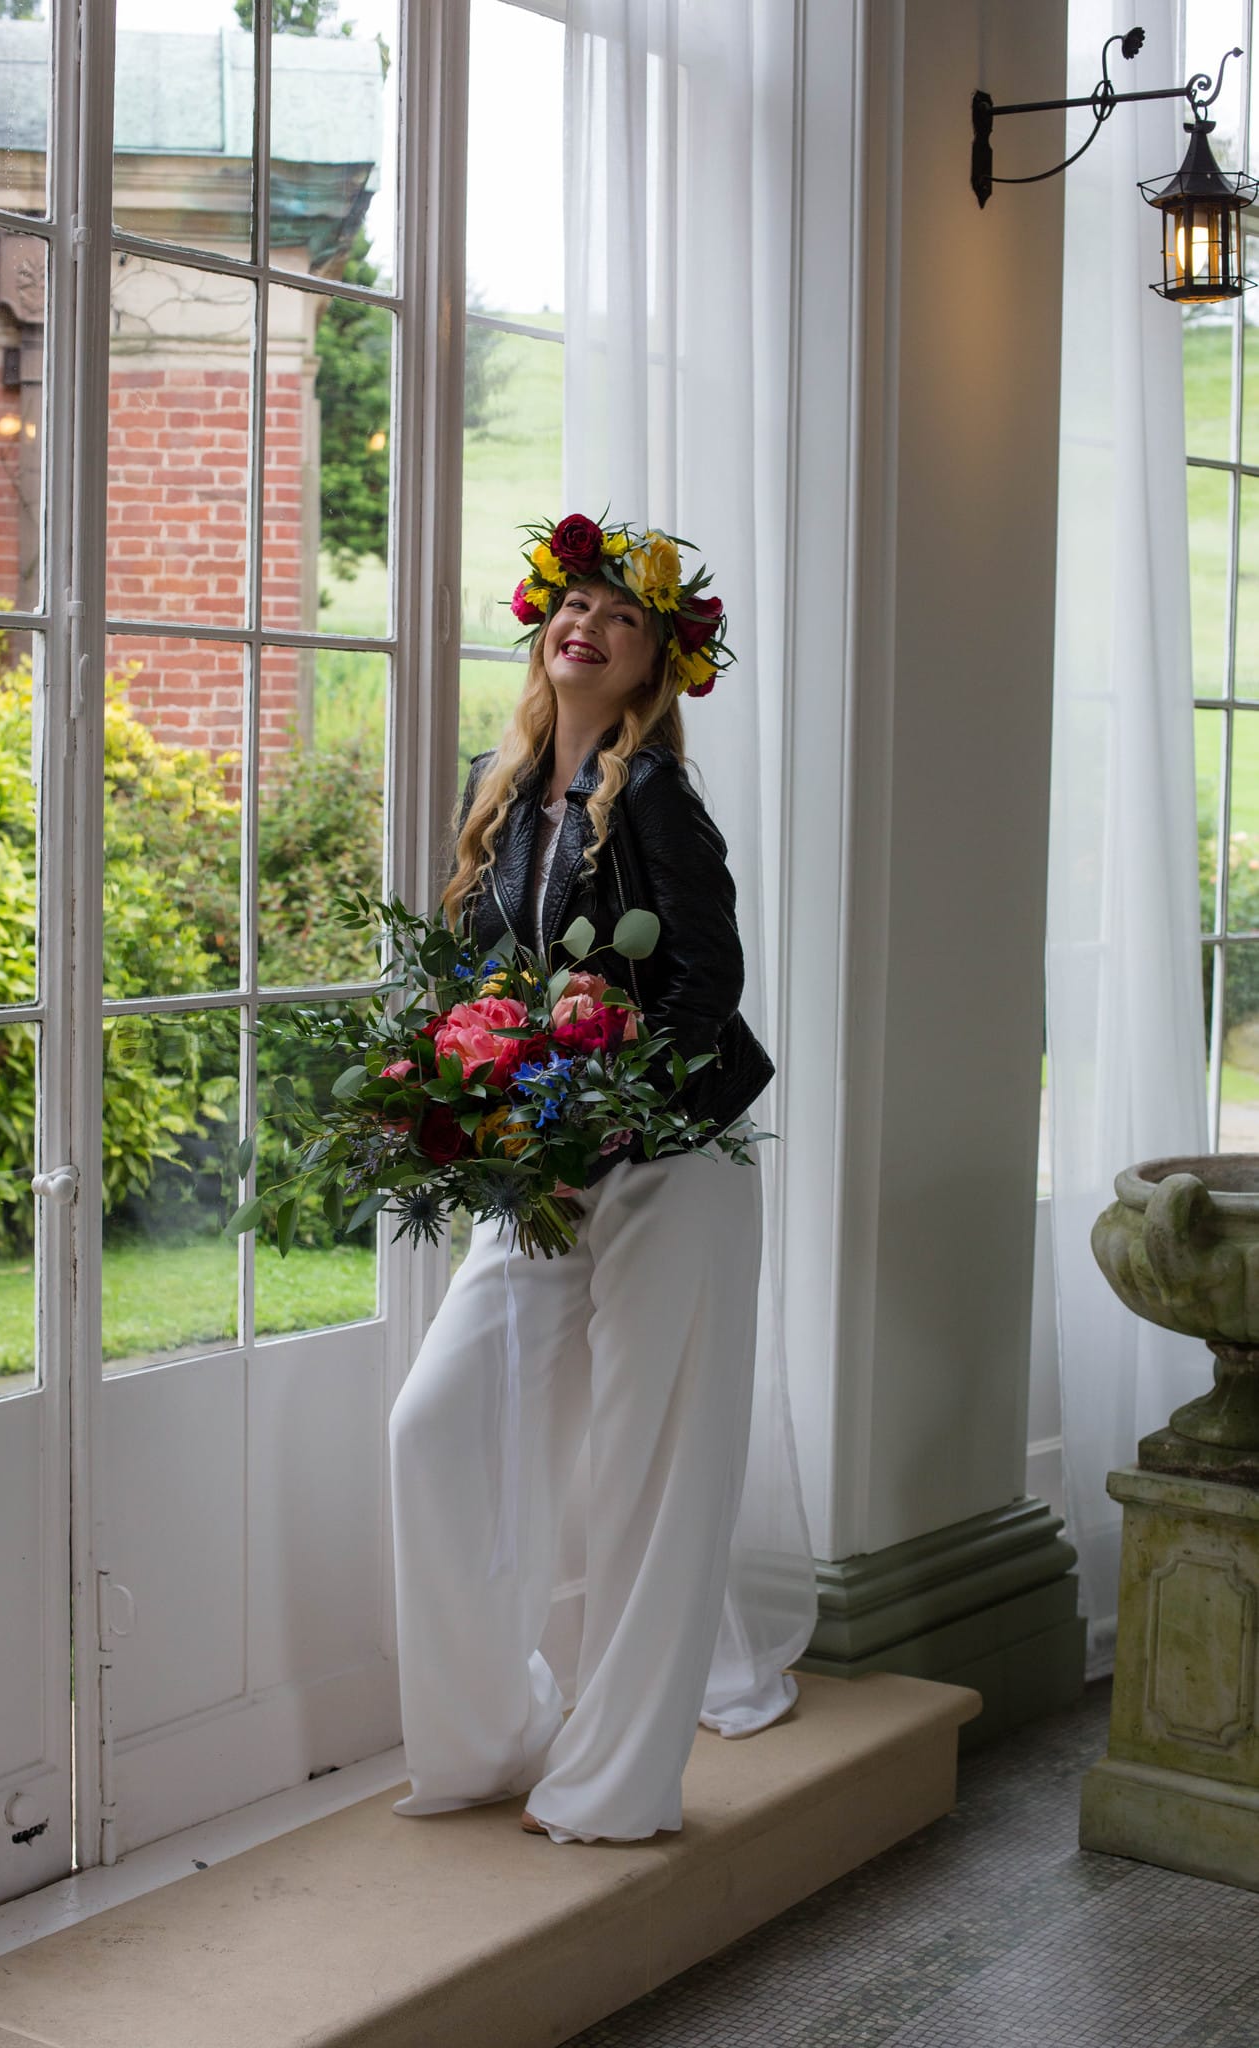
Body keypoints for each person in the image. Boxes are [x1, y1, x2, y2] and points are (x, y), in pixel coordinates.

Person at [387, 513, 784, 1846]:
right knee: (434, 1426)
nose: (588, 625)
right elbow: (472, 981)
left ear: (651, 664)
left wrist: (608, 1105)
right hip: (546, 1167)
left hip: (676, 1159)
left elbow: (706, 984)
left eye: (620, 617)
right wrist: (454, 1088)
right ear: (540, 629)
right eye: (574, 603)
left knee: (646, 1480)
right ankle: (489, 1737)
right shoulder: (490, 795)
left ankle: (611, 1785)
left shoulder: (657, 797)